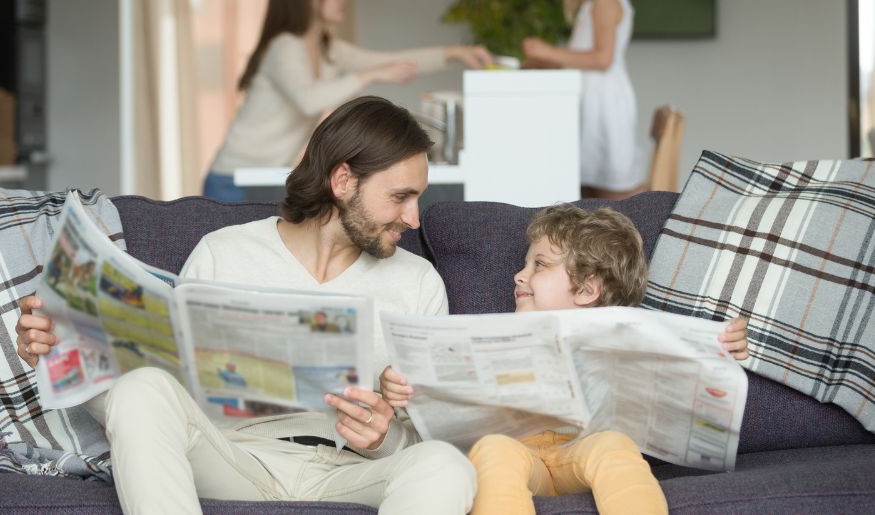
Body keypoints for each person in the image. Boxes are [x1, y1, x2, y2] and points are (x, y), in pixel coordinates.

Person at [15, 96, 476, 514]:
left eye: (418, 198)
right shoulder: (225, 252)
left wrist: (383, 437)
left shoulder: (418, 283)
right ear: (342, 181)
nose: (413, 219)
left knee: (445, 465)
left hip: (346, 471)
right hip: (233, 458)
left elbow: (419, 444)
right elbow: (158, 394)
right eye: (400, 197)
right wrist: (60, 343)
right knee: (142, 389)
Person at [380, 204, 750, 515]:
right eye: (526, 264)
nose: (520, 275)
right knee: (493, 449)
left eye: (539, 265)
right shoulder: (491, 333)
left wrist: (718, 352)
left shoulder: (626, 337)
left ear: (587, 289)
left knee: (613, 446)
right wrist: (403, 387)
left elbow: (680, 385)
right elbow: (441, 404)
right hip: (524, 456)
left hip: (581, 453)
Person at [205, 0, 494, 201]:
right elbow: (308, 99)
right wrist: (370, 75)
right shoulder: (285, 47)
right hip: (232, 178)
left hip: (258, 176)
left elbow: (394, 62)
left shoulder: (327, 50)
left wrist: (454, 53)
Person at [522, 0, 642, 200]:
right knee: (589, 191)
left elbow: (603, 59)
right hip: (591, 105)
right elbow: (582, 60)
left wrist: (548, 51)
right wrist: (547, 63)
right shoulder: (589, 6)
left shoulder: (606, 3)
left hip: (605, 106)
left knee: (613, 191)